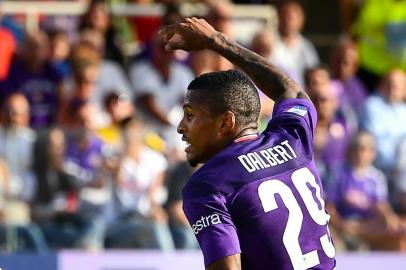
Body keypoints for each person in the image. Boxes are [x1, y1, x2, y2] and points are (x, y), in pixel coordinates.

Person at [160, 17, 336, 270]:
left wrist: (215, 41)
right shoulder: (293, 137)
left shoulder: (208, 184)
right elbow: (290, 91)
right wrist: (217, 41)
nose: (180, 126)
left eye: (190, 115)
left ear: (225, 123)